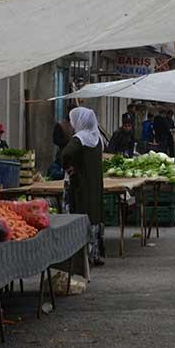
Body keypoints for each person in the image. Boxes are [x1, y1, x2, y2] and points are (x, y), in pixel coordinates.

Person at [61, 106, 106, 266]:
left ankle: (81, 256)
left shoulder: (80, 138)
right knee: (94, 215)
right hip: (95, 183)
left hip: (81, 184)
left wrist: (69, 168)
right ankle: (95, 253)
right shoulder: (98, 138)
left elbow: (65, 154)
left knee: (79, 214)